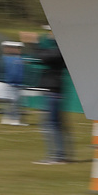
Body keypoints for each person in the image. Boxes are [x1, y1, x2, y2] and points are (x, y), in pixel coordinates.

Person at [33, 30, 71, 164]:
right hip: (53, 91)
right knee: (56, 125)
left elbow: (43, 56)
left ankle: (58, 156)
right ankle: (61, 155)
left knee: (52, 125)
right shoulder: (60, 49)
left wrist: (36, 43)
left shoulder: (59, 50)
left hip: (54, 91)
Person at [0, 40, 25, 125]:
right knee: (12, 102)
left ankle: (10, 118)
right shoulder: (9, 59)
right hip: (10, 83)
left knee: (13, 102)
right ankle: (13, 119)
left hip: (15, 84)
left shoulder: (19, 59)